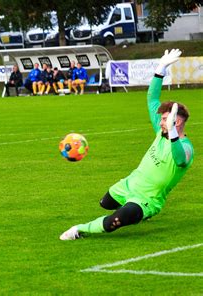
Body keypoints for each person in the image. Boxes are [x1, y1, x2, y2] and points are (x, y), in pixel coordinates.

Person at [60, 49, 194, 241]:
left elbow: (180, 159)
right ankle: (132, 212)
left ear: (177, 122)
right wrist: (160, 68)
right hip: (130, 184)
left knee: (113, 221)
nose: (162, 122)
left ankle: (78, 230)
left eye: (166, 119)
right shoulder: (161, 129)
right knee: (105, 202)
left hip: (147, 199)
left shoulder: (186, 147)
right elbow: (152, 99)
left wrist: (171, 131)